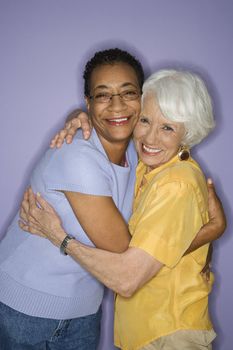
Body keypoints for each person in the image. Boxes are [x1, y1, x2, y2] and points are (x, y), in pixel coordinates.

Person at [20, 68, 226, 350]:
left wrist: (60, 237)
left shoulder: (176, 184)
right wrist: (79, 118)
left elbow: (127, 279)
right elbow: (113, 125)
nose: (150, 137)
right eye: (145, 120)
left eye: (168, 127)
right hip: (145, 332)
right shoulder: (150, 164)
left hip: (169, 333)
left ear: (187, 133)